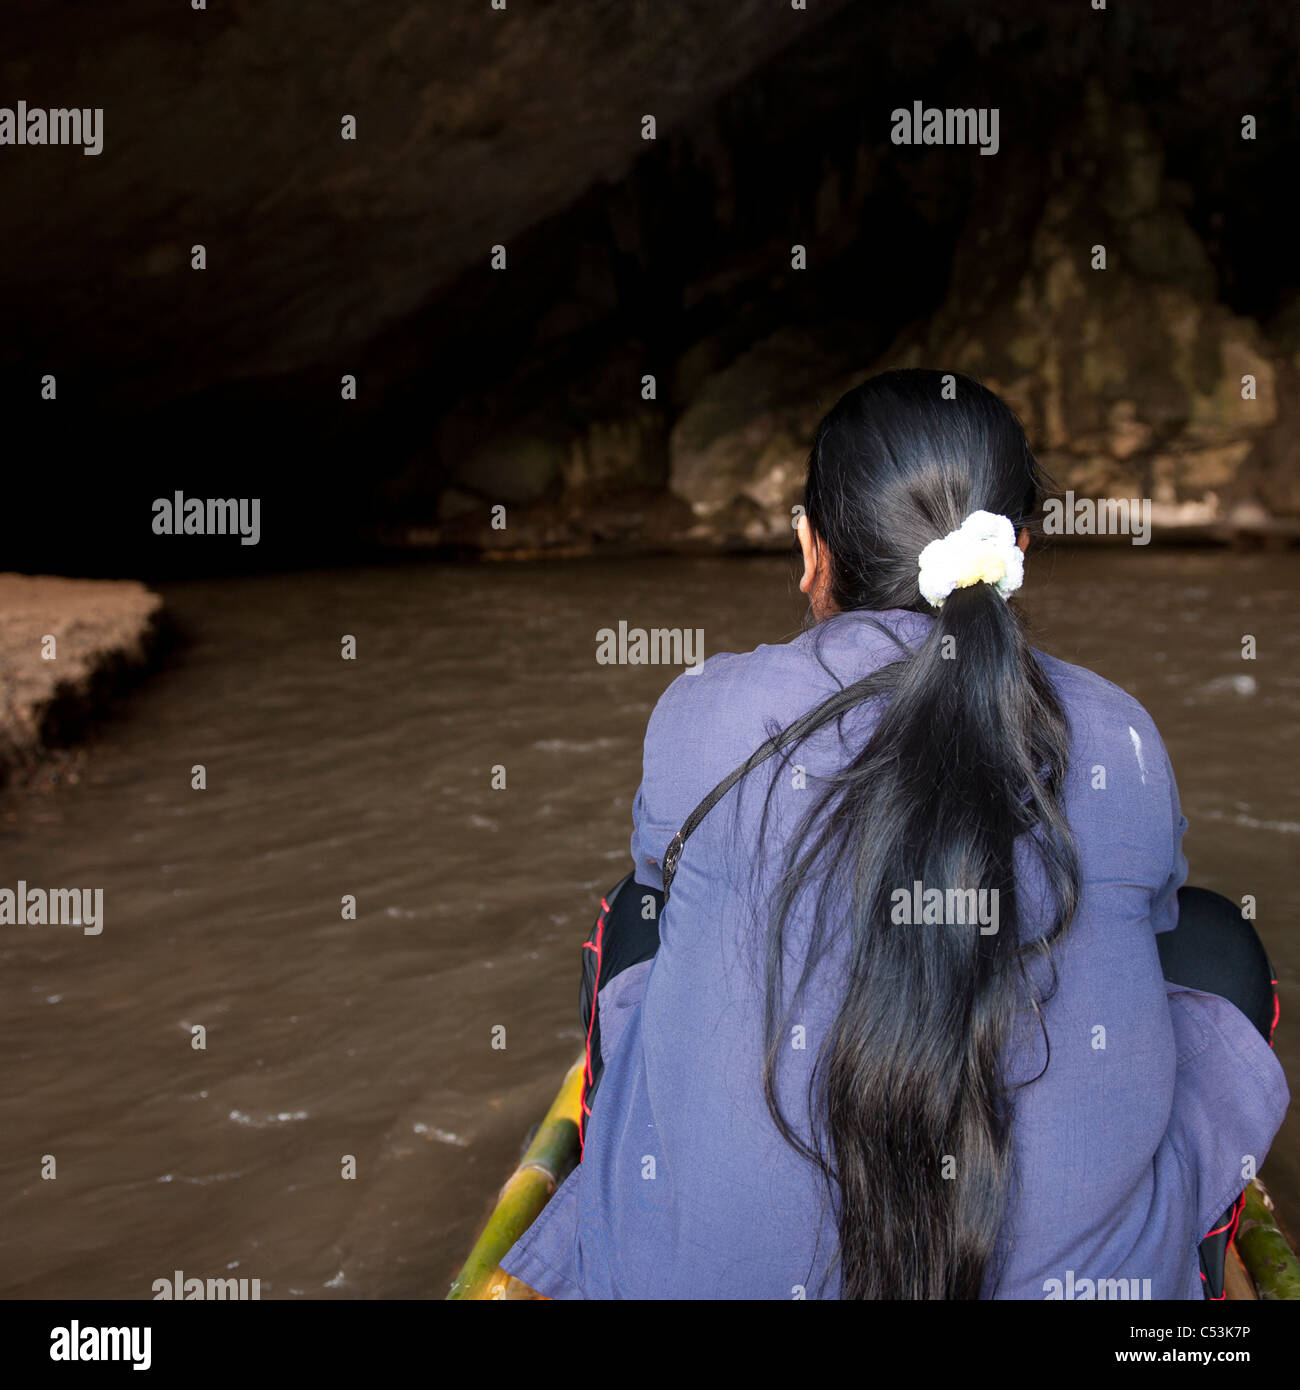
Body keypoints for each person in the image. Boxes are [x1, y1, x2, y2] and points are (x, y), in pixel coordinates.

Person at [501, 369, 1289, 1299]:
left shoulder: (703, 712)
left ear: (812, 550)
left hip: (693, 1281)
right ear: (1018, 549)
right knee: (1212, 939)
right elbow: (1148, 922)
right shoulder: (1118, 730)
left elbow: (669, 891)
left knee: (639, 916)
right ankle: (1182, 1263)